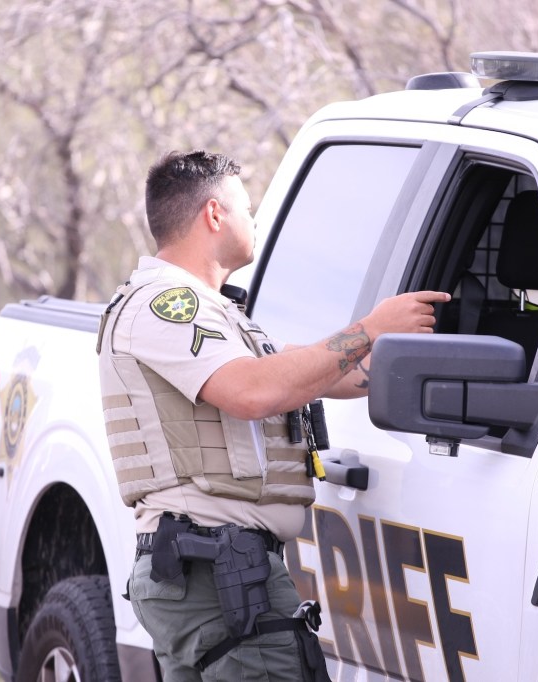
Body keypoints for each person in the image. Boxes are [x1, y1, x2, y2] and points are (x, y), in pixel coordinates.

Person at [97, 150, 450, 681]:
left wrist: (407, 357)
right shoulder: (167, 303)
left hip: (214, 570)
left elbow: (317, 373)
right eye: (246, 207)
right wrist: (368, 328)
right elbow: (252, 391)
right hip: (216, 571)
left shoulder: (222, 316)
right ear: (214, 215)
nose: (255, 220)